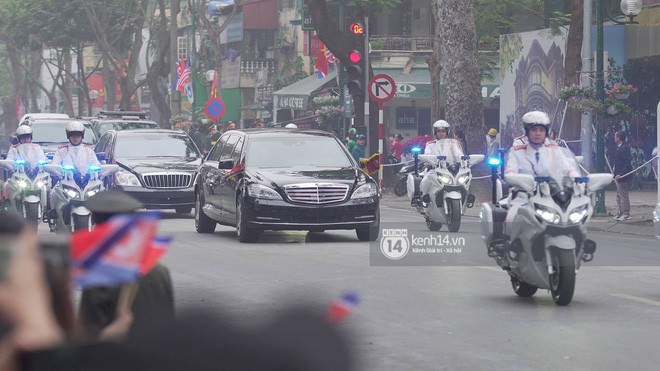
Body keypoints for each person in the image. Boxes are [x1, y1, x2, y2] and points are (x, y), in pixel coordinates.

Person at [78, 190, 176, 341]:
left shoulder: (97, 275)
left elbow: (87, 334)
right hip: (154, 358)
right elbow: (169, 324)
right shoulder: (159, 272)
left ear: (96, 225)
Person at [503, 111, 579, 235]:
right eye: (534, 130)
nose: (538, 133)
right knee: (511, 219)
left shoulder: (554, 150)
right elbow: (510, 171)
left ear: (546, 132)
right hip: (524, 196)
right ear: (527, 132)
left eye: (541, 130)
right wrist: (513, 178)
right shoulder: (517, 151)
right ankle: (512, 248)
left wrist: (577, 179)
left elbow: (568, 168)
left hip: (552, 196)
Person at [48, 121, 101, 227]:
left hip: (86, 182)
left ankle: (102, 218)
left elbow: (97, 164)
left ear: (82, 136)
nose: (75, 138)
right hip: (66, 182)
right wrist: (56, 169)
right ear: (68, 136)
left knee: (102, 192)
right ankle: (53, 216)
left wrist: (98, 169)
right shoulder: (61, 150)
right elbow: (55, 164)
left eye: (78, 136)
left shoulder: (88, 150)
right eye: (73, 136)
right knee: (53, 193)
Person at [2, 125, 48, 204]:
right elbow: (9, 161)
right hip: (19, 176)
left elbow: (43, 159)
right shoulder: (14, 149)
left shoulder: (37, 147)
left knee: (48, 188)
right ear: (19, 139)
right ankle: (8, 207)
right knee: (6, 186)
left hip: (35, 175)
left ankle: (48, 209)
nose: (25, 140)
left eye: (27, 137)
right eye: (23, 138)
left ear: (31, 137)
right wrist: (9, 164)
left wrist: (43, 164)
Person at [613, 130, 633, 221]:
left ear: (619, 137)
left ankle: (626, 213)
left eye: (615, 136)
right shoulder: (619, 147)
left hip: (624, 177)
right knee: (619, 195)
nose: (614, 138)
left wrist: (621, 174)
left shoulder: (624, 148)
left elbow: (626, 163)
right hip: (618, 176)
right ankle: (621, 212)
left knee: (623, 195)